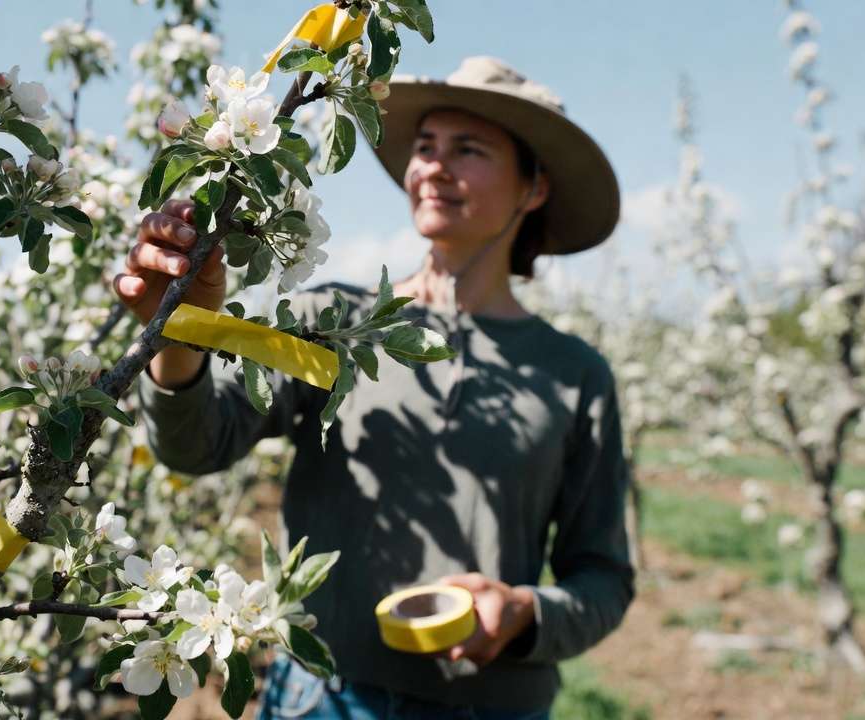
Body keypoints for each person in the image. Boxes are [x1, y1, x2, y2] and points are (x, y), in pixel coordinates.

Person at [112, 57, 634, 720]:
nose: (434, 168)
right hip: (323, 696)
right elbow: (199, 446)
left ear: (533, 189)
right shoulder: (333, 323)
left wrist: (526, 613)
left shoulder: (573, 374)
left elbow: (603, 577)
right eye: (424, 148)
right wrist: (180, 333)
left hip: (492, 706)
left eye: (468, 150)